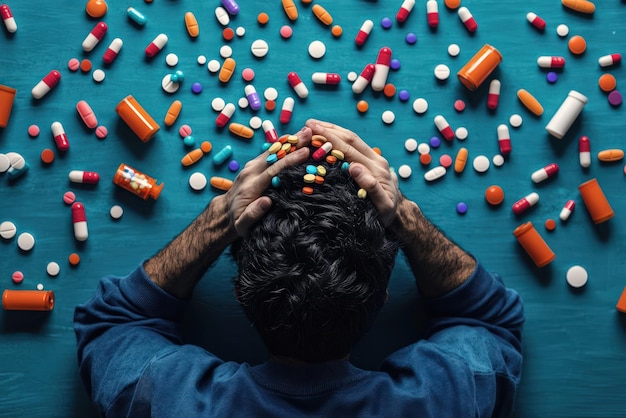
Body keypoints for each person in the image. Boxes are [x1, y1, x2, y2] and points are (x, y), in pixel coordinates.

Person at [74, 119, 524, 417]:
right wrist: (404, 216)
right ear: (380, 302)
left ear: (241, 294)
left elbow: (112, 324)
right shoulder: (447, 397)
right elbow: (491, 321)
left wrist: (218, 221)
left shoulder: (170, 400)